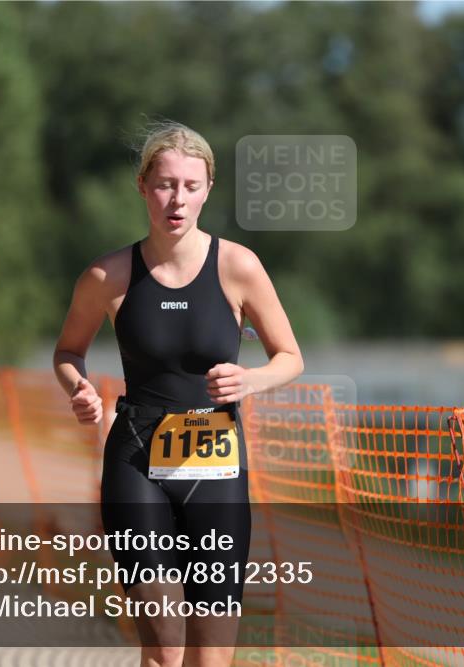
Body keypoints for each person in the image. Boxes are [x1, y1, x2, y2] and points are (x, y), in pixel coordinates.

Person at [53, 121, 303, 667]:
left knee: (210, 659)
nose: (178, 199)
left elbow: (290, 356)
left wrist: (250, 379)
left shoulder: (238, 267)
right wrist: (80, 389)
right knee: (165, 648)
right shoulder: (108, 275)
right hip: (136, 461)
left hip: (215, 468)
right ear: (142, 186)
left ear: (208, 189)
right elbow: (68, 352)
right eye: (166, 184)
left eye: (191, 186)